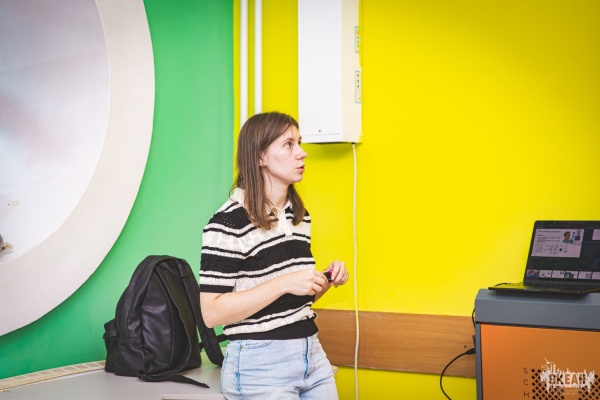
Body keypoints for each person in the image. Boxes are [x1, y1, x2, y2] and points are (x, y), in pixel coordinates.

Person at [199, 111, 349, 400]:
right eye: (289, 145)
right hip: (260, 365)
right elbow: (211, 313)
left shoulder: (299, 217)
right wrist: (285, 283)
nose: (302, 153)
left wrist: (324, 281)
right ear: (260, 157)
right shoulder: (227, 223)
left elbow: (288, 304)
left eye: (299, 143)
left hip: (312, 354)